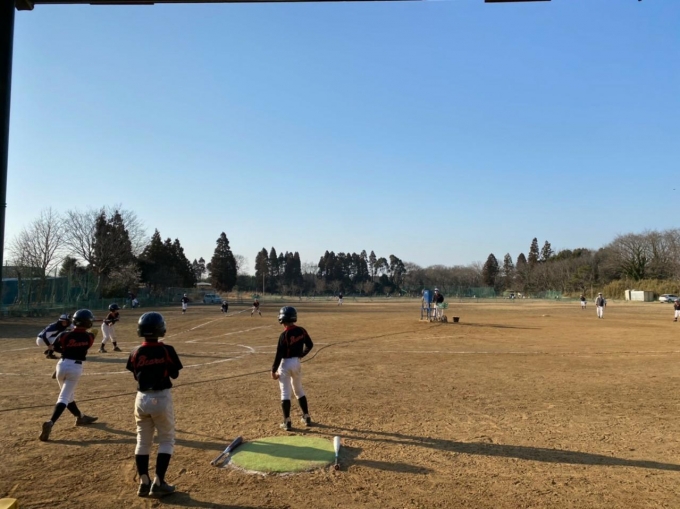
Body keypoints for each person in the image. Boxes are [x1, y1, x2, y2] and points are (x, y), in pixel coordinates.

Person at [126, 312, 183, 498]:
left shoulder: (135, 351)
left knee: (143, 441)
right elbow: (175, 374)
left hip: (141, 398)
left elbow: (136, 375)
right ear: (161, 329)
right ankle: (158, 482)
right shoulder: (167, 349)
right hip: (161, 397)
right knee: (166, 439)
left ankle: (144, 482)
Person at [39, 309, 98, 441]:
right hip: (75, 368)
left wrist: (65, 349)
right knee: (64, 397)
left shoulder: (64, 334)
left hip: (61, 365)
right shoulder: (89, 337)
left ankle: (80, 417)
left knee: (68, 396)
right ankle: (51, 422)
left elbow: (54, 347)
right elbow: (90, 338)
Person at [271, 306, 313, 431]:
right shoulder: (301, 330)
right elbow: (310, 345)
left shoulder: (284, 335)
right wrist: (301, 355)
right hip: (296, 363)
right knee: (299, 390)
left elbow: (279, 355)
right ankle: (306, 417)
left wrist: (273, 370)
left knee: (285, 392)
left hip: (285, 364)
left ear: (282, 319)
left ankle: (287, 421)